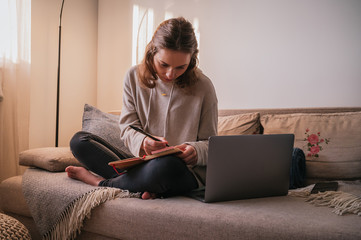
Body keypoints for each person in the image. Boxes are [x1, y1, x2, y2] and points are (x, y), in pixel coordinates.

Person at [66, 17, 218, 200]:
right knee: (79, 141)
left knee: (165, 166)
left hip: (181, 170)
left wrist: (195, 151)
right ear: (152, 52)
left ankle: (100, 183)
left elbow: (211, 145)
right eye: (164, 64)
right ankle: (144, 184)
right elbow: (128, 128)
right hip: (142, 164)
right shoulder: (133, 76)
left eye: (181, 67)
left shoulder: (204, 87)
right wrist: (144, 142)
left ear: (192, 61)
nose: (171, 74)